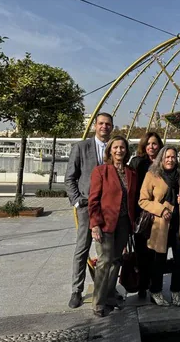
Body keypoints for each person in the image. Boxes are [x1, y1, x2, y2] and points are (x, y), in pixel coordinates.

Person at [65, 112, 113, 309]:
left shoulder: (115, 148)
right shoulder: (81, 147)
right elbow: (70, 178)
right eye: (101, 123)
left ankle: (108, 289)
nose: (104, 127)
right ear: (95, 125)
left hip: (109, 208)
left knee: (108, 251)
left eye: (108, 124)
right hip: (86, 206)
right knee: (82, 248)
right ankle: (77, 290)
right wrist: (77, 201)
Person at [138, 145, 180, 306]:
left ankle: (176, 290)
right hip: (160, 224)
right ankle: (155, 291)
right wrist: (161, 210)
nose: (170, 160)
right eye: (167, 157)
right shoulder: (152, 175)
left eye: (173, 157)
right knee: (158, 260)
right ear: (161, 158)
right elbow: (143, 200)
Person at [88, 136, 136, 317]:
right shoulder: (101, 171)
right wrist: (95, 225)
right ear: (109, 150)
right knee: (104, 262)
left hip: (124, 223)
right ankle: (98, 302)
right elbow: (93, 200)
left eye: (122, 147)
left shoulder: (131, 172)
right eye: (115, 147)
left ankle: (109, 295)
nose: (119, 151)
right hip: (105, 223)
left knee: (116, 260)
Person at [128, 132, 163, 299]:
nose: (151, 146)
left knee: (156, 251)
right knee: (142, 251)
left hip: (159, 213)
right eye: (148, 143)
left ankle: (154, 284)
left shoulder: (164, 163)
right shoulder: (137, 163)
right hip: (141, 213)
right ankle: (142, 285)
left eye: (155, 143)